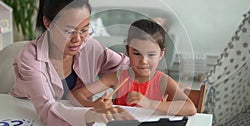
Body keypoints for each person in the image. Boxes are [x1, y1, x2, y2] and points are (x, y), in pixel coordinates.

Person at [10, 0, 134, 126]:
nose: (78, 39)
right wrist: (94, 114)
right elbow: (47, 110)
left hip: (77, 125)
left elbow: (127, 66)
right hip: (25, 119)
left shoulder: (89, 46)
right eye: (69, 31)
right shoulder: (31, 57)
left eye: (84, 30)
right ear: (48, 23)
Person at [69, 19, 197, 116]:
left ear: (161, 54)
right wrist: (94, 105)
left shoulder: (163, 81)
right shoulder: (117, 77)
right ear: (128, 51)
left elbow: (190, 108)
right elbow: (75, 95)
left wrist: (150, 104)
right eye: (137, 53)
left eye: (151, 55)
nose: (143, 61)